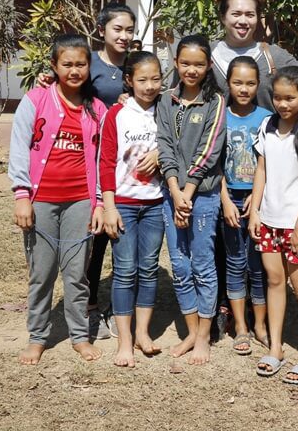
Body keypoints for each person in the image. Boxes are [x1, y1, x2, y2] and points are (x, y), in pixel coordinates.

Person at [206, 0, 298, 337]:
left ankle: (260, 317)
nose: (242, 20)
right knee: (225, 249)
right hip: (222, 170)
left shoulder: (272, 54)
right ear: (223, 16)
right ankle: (226, 312)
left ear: (258, 18)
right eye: (236, 13)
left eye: (249, 14)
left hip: (267, 173)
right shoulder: (210, 55)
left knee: (261, 255)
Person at [38, 2, 150, 341]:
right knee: (93, 243)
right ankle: (88, 310)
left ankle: (122, 311)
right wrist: (50, 80)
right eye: (118, 29)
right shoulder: (91, 66)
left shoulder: (136, 65)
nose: (124, 35)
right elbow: (68, 94)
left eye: (130, 29)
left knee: (123, 245)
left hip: (130, 170)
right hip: (93, 165)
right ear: (102, 30)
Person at [8, 34, 108, 365]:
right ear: (54, 66)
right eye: (67, 64)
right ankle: (38, 336)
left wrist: (98, 203)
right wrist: (22, 196)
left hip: (81, 201)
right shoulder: (35, 100)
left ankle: (79, 335)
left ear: (89, 67)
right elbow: (19, 150)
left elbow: (101, 161)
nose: (74, 70)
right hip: (41, 202)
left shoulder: (98, 109)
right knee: (43, 272)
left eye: (81, 64)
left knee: (77, 272)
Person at [249, 66, 298, 385]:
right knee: (274, 281)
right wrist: (255, 211)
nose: (283, 104)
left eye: (290, 98)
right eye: (278, 97)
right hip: (268, 220)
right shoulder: (267, 125)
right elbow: (261, 170)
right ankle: (276, 347)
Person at [156, 34, 226, 365]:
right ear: (175, 64)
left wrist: (187, 192)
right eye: (185, 63)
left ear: (208, 65)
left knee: (202, 264)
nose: (191, 70)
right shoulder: (166, 100)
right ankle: (190, 332)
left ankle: (203, 338)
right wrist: (173, 189)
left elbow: (209, 152)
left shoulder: (216, 102)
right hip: (173, 195)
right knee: (180, 266)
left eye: (199, 64)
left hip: (203, 197)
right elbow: (164, 145)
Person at [98, 50, 165, 368]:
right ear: (129, 81)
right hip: (123, 203)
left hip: (155, 204)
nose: (150, 86)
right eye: (142, 80)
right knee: (125, 271)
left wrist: (160, 154)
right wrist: (109, 206)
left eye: (156, 79)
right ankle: (124, 341)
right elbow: (106, 160)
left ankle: (142, 333)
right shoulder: (117, 114)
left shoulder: (166, 110)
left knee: (149, 268)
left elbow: (178, 145)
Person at [220, 56, 273, 355]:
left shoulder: (267, 117)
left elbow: (274, 162)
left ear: (258, 84)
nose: (244, 89)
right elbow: (213, 165)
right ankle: (240, 326)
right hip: (229, 199)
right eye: (238, 82)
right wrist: (225, 199)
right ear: (228, 83)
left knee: (258, 266)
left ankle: (260, 325)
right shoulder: (220, 116)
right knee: (234, 262)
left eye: (250, 83)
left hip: (259, 200)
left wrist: (259, 195)